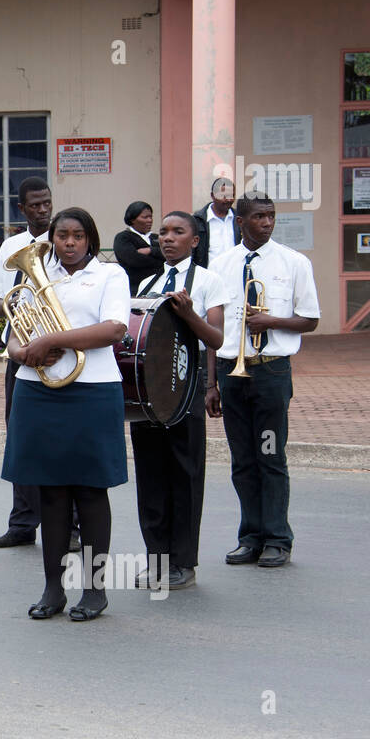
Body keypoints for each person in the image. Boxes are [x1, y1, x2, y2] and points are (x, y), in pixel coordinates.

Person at [2, 207, 129, 622]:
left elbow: (114, 330)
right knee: (50, 492)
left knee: (91, 492)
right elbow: (15, 336)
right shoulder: (34, 274)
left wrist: (51, 338)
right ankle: (53, 587)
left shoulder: (111, 276)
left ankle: (94, 590)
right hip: (38, 391)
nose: (69, 243)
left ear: (90, 238)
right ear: (52, 238)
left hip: (92, 391)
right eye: (62, 236)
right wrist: (25, 351)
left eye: (77, 236)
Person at [210, 193, 319, 569]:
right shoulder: (221, 264)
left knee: (270, 455)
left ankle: (277, 538)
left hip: (271, 370)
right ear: (240, 221)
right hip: (230, 371)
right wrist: (211, 384)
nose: (267, 222)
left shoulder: (294, 262)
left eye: (271, 216)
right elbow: (213, 327)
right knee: (242, 459)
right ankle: (250, 536)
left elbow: (310, 319)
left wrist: (271, 322)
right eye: (258, 216)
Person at [129, 213, 227, 590]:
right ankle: (156, 558)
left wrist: (189, 316)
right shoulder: (148, 282)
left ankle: (183, 561)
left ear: (195, 240)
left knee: (184, 474)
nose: (167, 239)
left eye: (177, 232)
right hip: (149, 388)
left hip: (185, 383)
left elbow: (216, 338)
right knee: (150, 475)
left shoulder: (208, 281)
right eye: (163, 233)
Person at [0, 176, 52, 549]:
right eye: (36, 205)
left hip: (59, 351)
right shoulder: (12, 246)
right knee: (21, 437)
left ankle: (70, 525)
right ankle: (23, 523)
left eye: (47, 203)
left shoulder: (66, 236)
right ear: (22, 209)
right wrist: (20, 300)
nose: (43, 210)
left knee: (59, 439)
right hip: (22, 350)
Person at [113, 200, 165, 294]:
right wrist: (160, 262)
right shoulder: (123, 237)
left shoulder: (156, 238)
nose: (150, 220)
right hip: (135, 289)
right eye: (145, 217)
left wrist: (151, 250)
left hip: (159, 287)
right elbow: (133, 260)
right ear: (132, 219)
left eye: (151, 217)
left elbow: (168, 254)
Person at [194, 177, 240, 268]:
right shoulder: (198, 221)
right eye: (224, 195)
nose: (229, 199)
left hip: (235, 275)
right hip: (207, 276)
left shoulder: (240, 219)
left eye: (232, 195)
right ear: (212, 195)